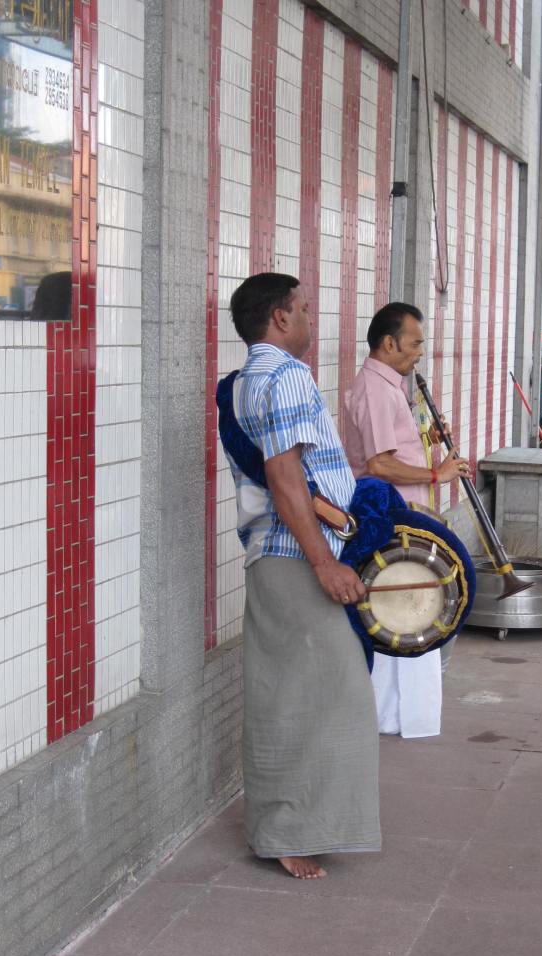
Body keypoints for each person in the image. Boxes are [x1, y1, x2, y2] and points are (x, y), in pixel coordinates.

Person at [222, 272, 380, 880]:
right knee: (328, 693)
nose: (311, 320)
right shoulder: (284, 375)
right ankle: (286, 831)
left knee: (292, 692)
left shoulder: (243, 381)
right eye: (305, 309)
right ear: (280, 318)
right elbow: (285, 479)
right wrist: (324, 563)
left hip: (280, 552)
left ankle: (289, 826)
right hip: (294, 555)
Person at [340, 302, 469, 738]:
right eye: (415, 343)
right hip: (391, 516)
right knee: (408, 614)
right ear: (389, 343)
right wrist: (437, 473)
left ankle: (401, 717)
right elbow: (378, 464)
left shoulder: (389, 385)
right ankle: (397, 717)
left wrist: (427, 439)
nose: (420, 352)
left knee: (411, 613)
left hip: (405, 512)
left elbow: (394, 449)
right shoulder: (376, 389)